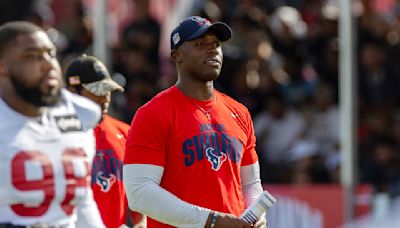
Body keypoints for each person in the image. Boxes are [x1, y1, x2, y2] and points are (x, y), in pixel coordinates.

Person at [123, 16, 268, 228]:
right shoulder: (153, 113)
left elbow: (251, 184)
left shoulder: (239, 112)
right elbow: (139, 194)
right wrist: (210, 221)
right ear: (176, 55)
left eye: (216, 45)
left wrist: (257, 216)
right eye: (200, 44)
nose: (212, 50)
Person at [0, 21, 104, 227]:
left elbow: (81, 203)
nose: (48, 63)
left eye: (50, 54)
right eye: (32, 56)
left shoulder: (82, 113)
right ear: (2, 66)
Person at [64, 54, 146, 228]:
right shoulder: (56, 135)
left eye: (107, 91)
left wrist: (140, 222)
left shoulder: (126, 132)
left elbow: (139, 191)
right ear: (72, 91)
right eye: (97, 92)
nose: (105, 98)